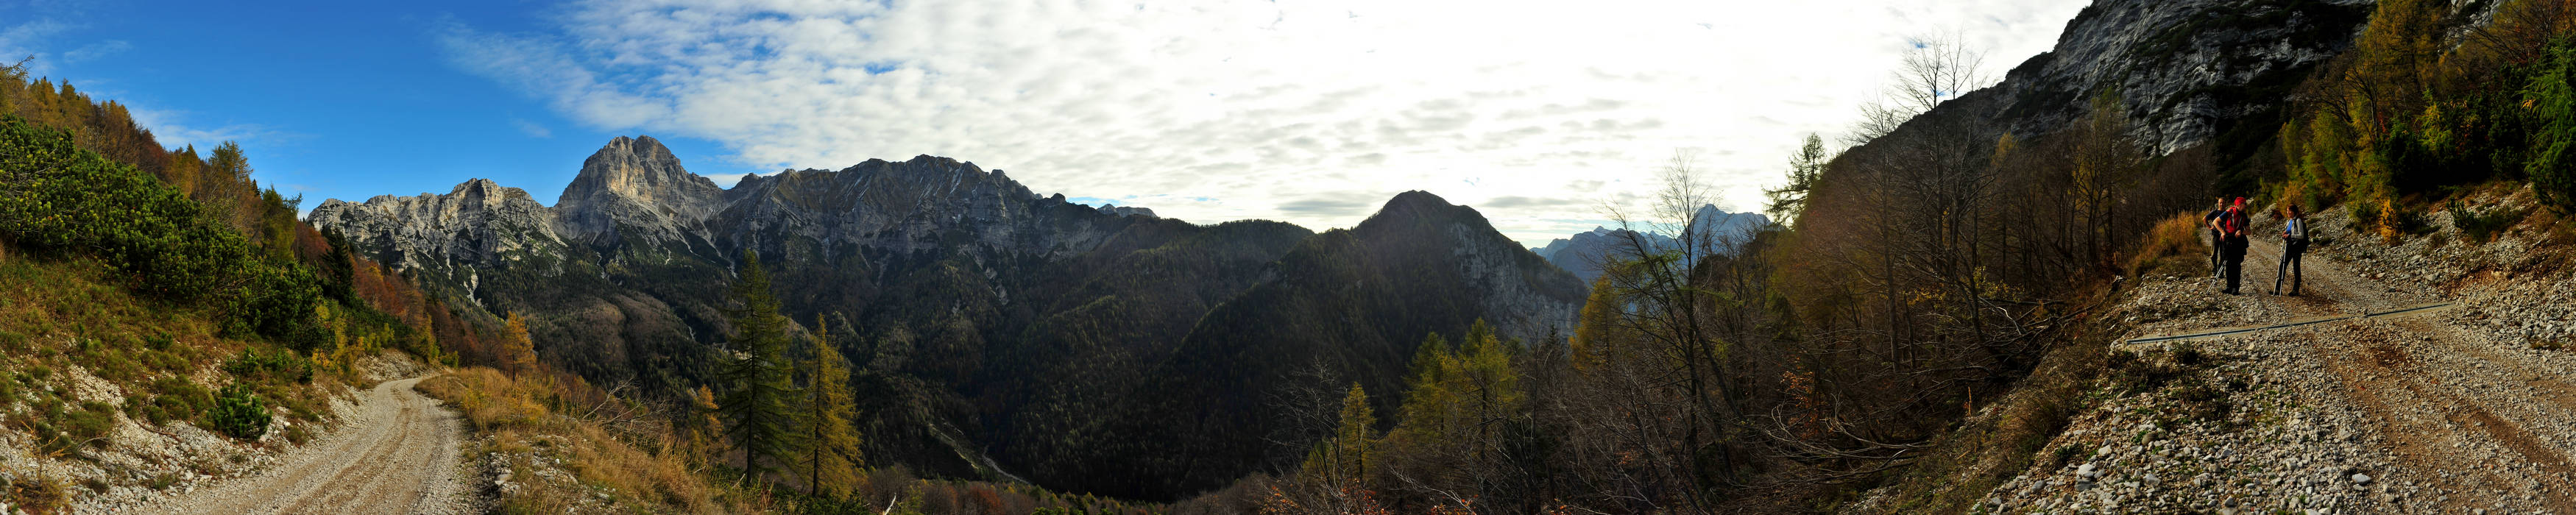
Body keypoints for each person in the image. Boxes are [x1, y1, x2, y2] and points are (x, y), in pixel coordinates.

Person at [2219, 197, 2251, 295]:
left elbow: (2249, 232)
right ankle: (2229, 287)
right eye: (2244, 204)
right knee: (2228, 264)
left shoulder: (2244, 216)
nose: (2246, 206)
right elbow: (2216, 222)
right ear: (2239, 205)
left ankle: (2235, 288)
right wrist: (2222, 232)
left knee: (2236, 265)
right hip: (2228, 241)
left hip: (2239, 242)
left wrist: (2241, 231)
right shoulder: (2228, 213)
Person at [2275, 204, 2307, 296]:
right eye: (2287, 211)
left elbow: (2301, 235)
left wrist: (2290, 235)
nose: (2288, 212)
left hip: (2297, 248)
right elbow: (2290, 232)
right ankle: (2278, 289)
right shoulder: (2289, 221)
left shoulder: (2298, 221)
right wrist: (2286, 232)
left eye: (2289, 211)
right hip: (2289, 246)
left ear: (2294, 211)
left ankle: (2295, 290)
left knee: (2296, 268)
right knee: (2282, 266)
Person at [2204, 197, 2229, 283]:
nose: (2221, 204)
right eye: (2220, 203)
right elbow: (2204, 219)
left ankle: (2221, 272)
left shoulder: (2227, 213)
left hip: (2224, 236)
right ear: (2218, 203)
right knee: (2214, 254)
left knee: (2223, 254)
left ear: (2226, 203)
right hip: (2215, 235)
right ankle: (2214, 270)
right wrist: (2210, 227)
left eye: (2223, 203)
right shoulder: (2215, 212)